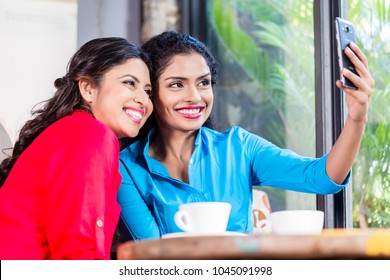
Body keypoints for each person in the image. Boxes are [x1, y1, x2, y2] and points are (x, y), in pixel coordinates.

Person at [117, 30, 374, 240]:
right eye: (176, 84)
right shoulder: (126, 167)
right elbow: (150, 255)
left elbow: (322, 178)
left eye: (203, 83)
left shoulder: (239, 147)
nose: (195, 97)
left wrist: (356, 117)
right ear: (150, 92)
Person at [0, 37, 153, 259]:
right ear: (88, 89)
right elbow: (78, 248)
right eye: (130, 83)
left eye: (148, 91)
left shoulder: (75, 132)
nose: (143, 99)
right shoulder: (90, 135)